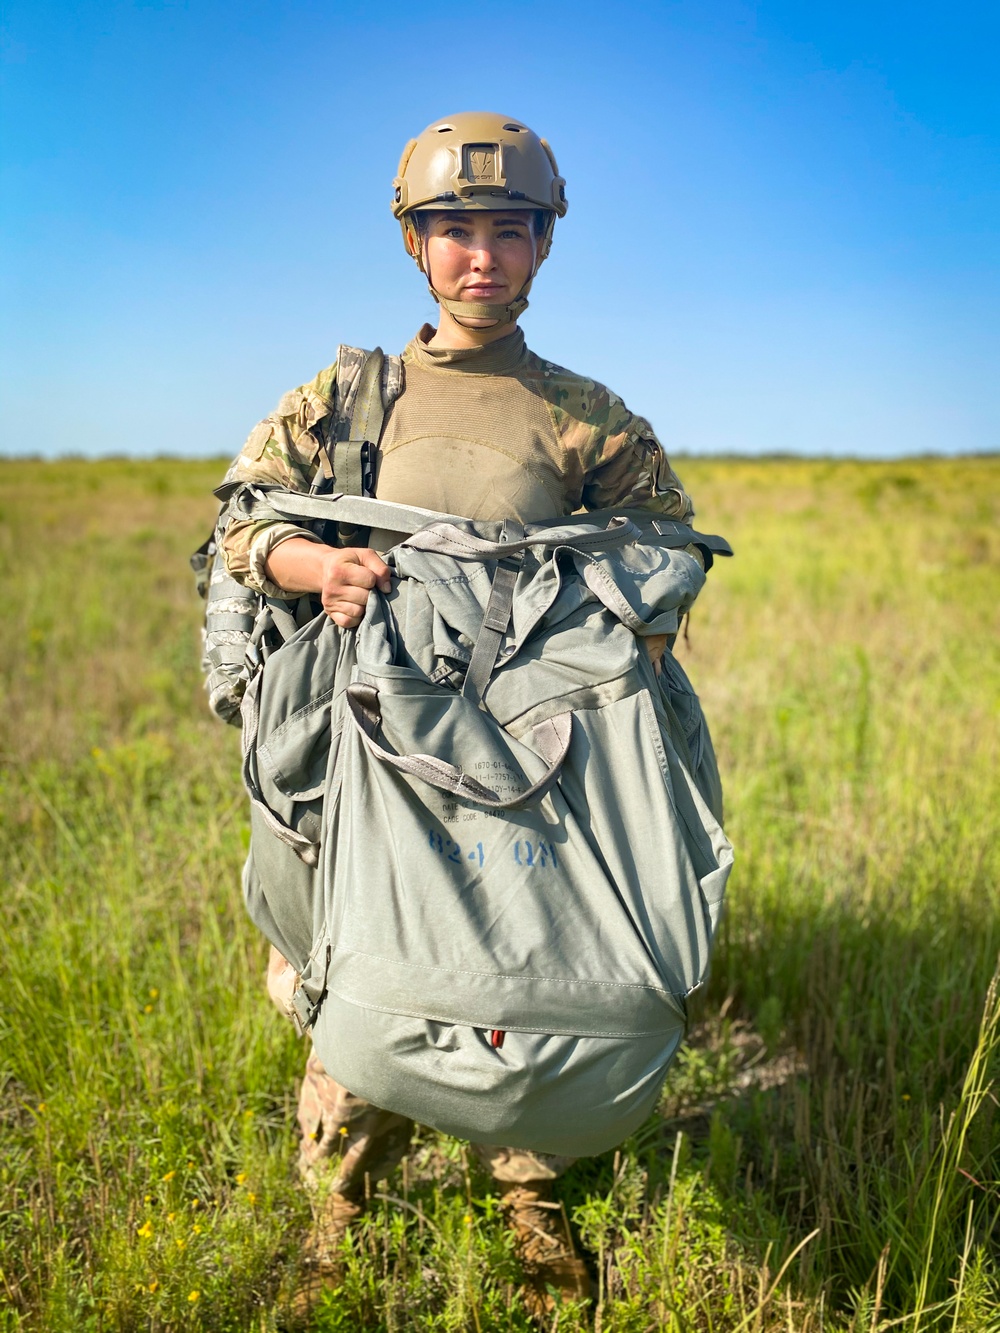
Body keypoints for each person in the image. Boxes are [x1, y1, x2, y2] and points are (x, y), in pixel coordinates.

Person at [219, 111, 701, 1321]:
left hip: (522, 756)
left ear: (542, 246)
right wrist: (315, 572)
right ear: (415, 247)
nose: (478, 257)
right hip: (364, 745)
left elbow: (664, 557)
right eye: (453, 233)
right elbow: (241, 523)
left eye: (505, 232)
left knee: (517, 961)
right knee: (360, 956)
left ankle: (530, 1200)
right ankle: (341, 1198)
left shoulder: (585, 416)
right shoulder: (346, 398)